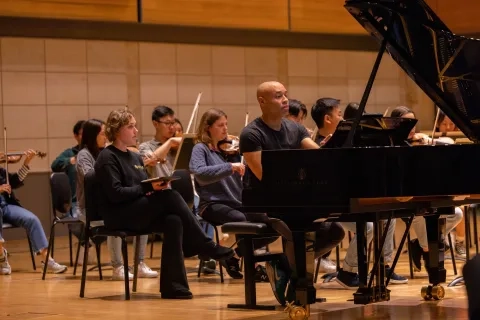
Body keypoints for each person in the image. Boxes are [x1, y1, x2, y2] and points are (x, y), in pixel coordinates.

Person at [94, 108, 233, 299]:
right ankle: (205, 245)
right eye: (130, 127)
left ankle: (174, 287)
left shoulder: (134, 157)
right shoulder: (107, 157)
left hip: (137, 210)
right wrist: (149, 190)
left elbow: (143, 186)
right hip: (119, 215)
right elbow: (116, 194)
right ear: (117, 130)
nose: (136, 131)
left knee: (174, 220)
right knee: (170, 196)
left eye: (135, 126)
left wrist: (155, 186)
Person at [239, 81, 345, 305]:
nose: (285, 100)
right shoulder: (251, 133)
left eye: (285, 95)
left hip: (294, 200)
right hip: (262, 203)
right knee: (296, 230)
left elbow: (319, 158)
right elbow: (263, 176)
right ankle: (299, 287)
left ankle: (285, 268)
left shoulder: (294, 128)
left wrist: (332, 147)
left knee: (334, 230)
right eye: (278, 96)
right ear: (262, 101)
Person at [311, 98, 407, 289]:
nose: (344, 119)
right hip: (327, 204)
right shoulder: (316, 144)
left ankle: (383, 266)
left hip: (346, 200)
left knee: (389, 216)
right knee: (369, 226)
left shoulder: (344, 142)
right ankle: (348, 272)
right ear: (328, 119)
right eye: (339, 115)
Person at [189, 108, 271, 281]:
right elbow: (200, 173)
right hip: (211, 205)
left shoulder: (230, 150)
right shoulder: (201, 149)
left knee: (273, 223)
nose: (226, 129)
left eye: (226, 124)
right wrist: (229, 167)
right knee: (242, 221)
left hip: (236, 202)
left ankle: (234, 256)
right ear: (207, 128)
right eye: (220, 125)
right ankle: (253, 267)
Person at [77, 119, 157, 280]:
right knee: (113, 216)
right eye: (101, 133)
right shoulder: (85, 155)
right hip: (90, 207)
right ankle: (117, 266)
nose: (106, 136)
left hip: (113, 201)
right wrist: (111, 168)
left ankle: (139, 262)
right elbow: (90, 178)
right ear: (92, 136)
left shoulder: (111, 152)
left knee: (143, 212)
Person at [390, 106, 463, 271]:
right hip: (405, 201)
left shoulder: (421, 141)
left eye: (413, 123)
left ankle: (421, 244)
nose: (411, 128)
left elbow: (450, 144)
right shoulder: (391, 145)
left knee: (457, 213)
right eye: (406, 123)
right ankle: (427, 250)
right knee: (421, 218)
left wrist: (430, 141)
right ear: (395, 125)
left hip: (425, 199)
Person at [0, 150, 68, 275]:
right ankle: (1, 258)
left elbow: (16, 181)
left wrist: (26, 162)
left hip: (7, 206)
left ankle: (47, 260)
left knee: (32, 219)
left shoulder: (1, 171)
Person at [51, 120, 85, 245]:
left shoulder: (99, 152)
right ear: (76, 136)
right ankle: (87, 243)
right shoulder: (69, 153)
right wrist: (71, 160)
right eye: (82, 134)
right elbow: (55, 165)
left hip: (97, 200)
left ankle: (89, 243)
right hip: (76, 202)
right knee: (75, 220)